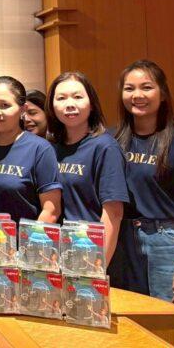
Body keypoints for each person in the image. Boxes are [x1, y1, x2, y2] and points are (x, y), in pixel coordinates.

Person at [111, 60, 174, 348]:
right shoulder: (113, 141)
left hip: (169, 244)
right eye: (129, 88)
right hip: (124, 245)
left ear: (162, 94)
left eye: (146, 87)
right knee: (130, 335)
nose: (137, 95)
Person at [45, 71, 128, 263]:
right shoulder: (49, 147)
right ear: (52, 106)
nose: (69, 104)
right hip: (56, 252)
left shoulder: (105, 146)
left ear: (91, 104)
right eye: (61, 98)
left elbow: (114, 213)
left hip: (90, 251)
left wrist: (97, 265)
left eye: (77, 97)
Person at [0, 76, 62, 223]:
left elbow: (51, 210)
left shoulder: (40, 149)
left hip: (23, 236)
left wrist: (30, 237)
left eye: (4, 105)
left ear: (23, 109)